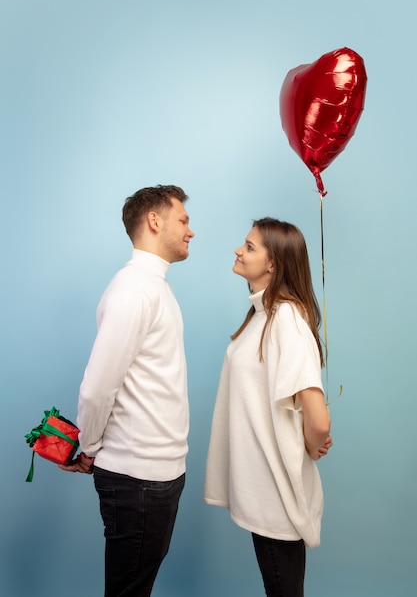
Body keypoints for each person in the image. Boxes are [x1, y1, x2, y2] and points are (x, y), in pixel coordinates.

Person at [60, 184, 194, 597]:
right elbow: (98, 386)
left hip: (158, 475)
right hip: (138, 480)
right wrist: (89, 444)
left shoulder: (155, 287)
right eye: (184, 220)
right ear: (155, 221)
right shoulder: (135, 289)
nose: (191, 231)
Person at [204, 217, 332, 597]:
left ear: (273, 263)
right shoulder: (263, 316)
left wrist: (313, 443)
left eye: (250, 246)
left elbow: (319, 420)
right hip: (263, 488)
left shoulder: (287, 319)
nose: (238, 251)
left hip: (276, 494)